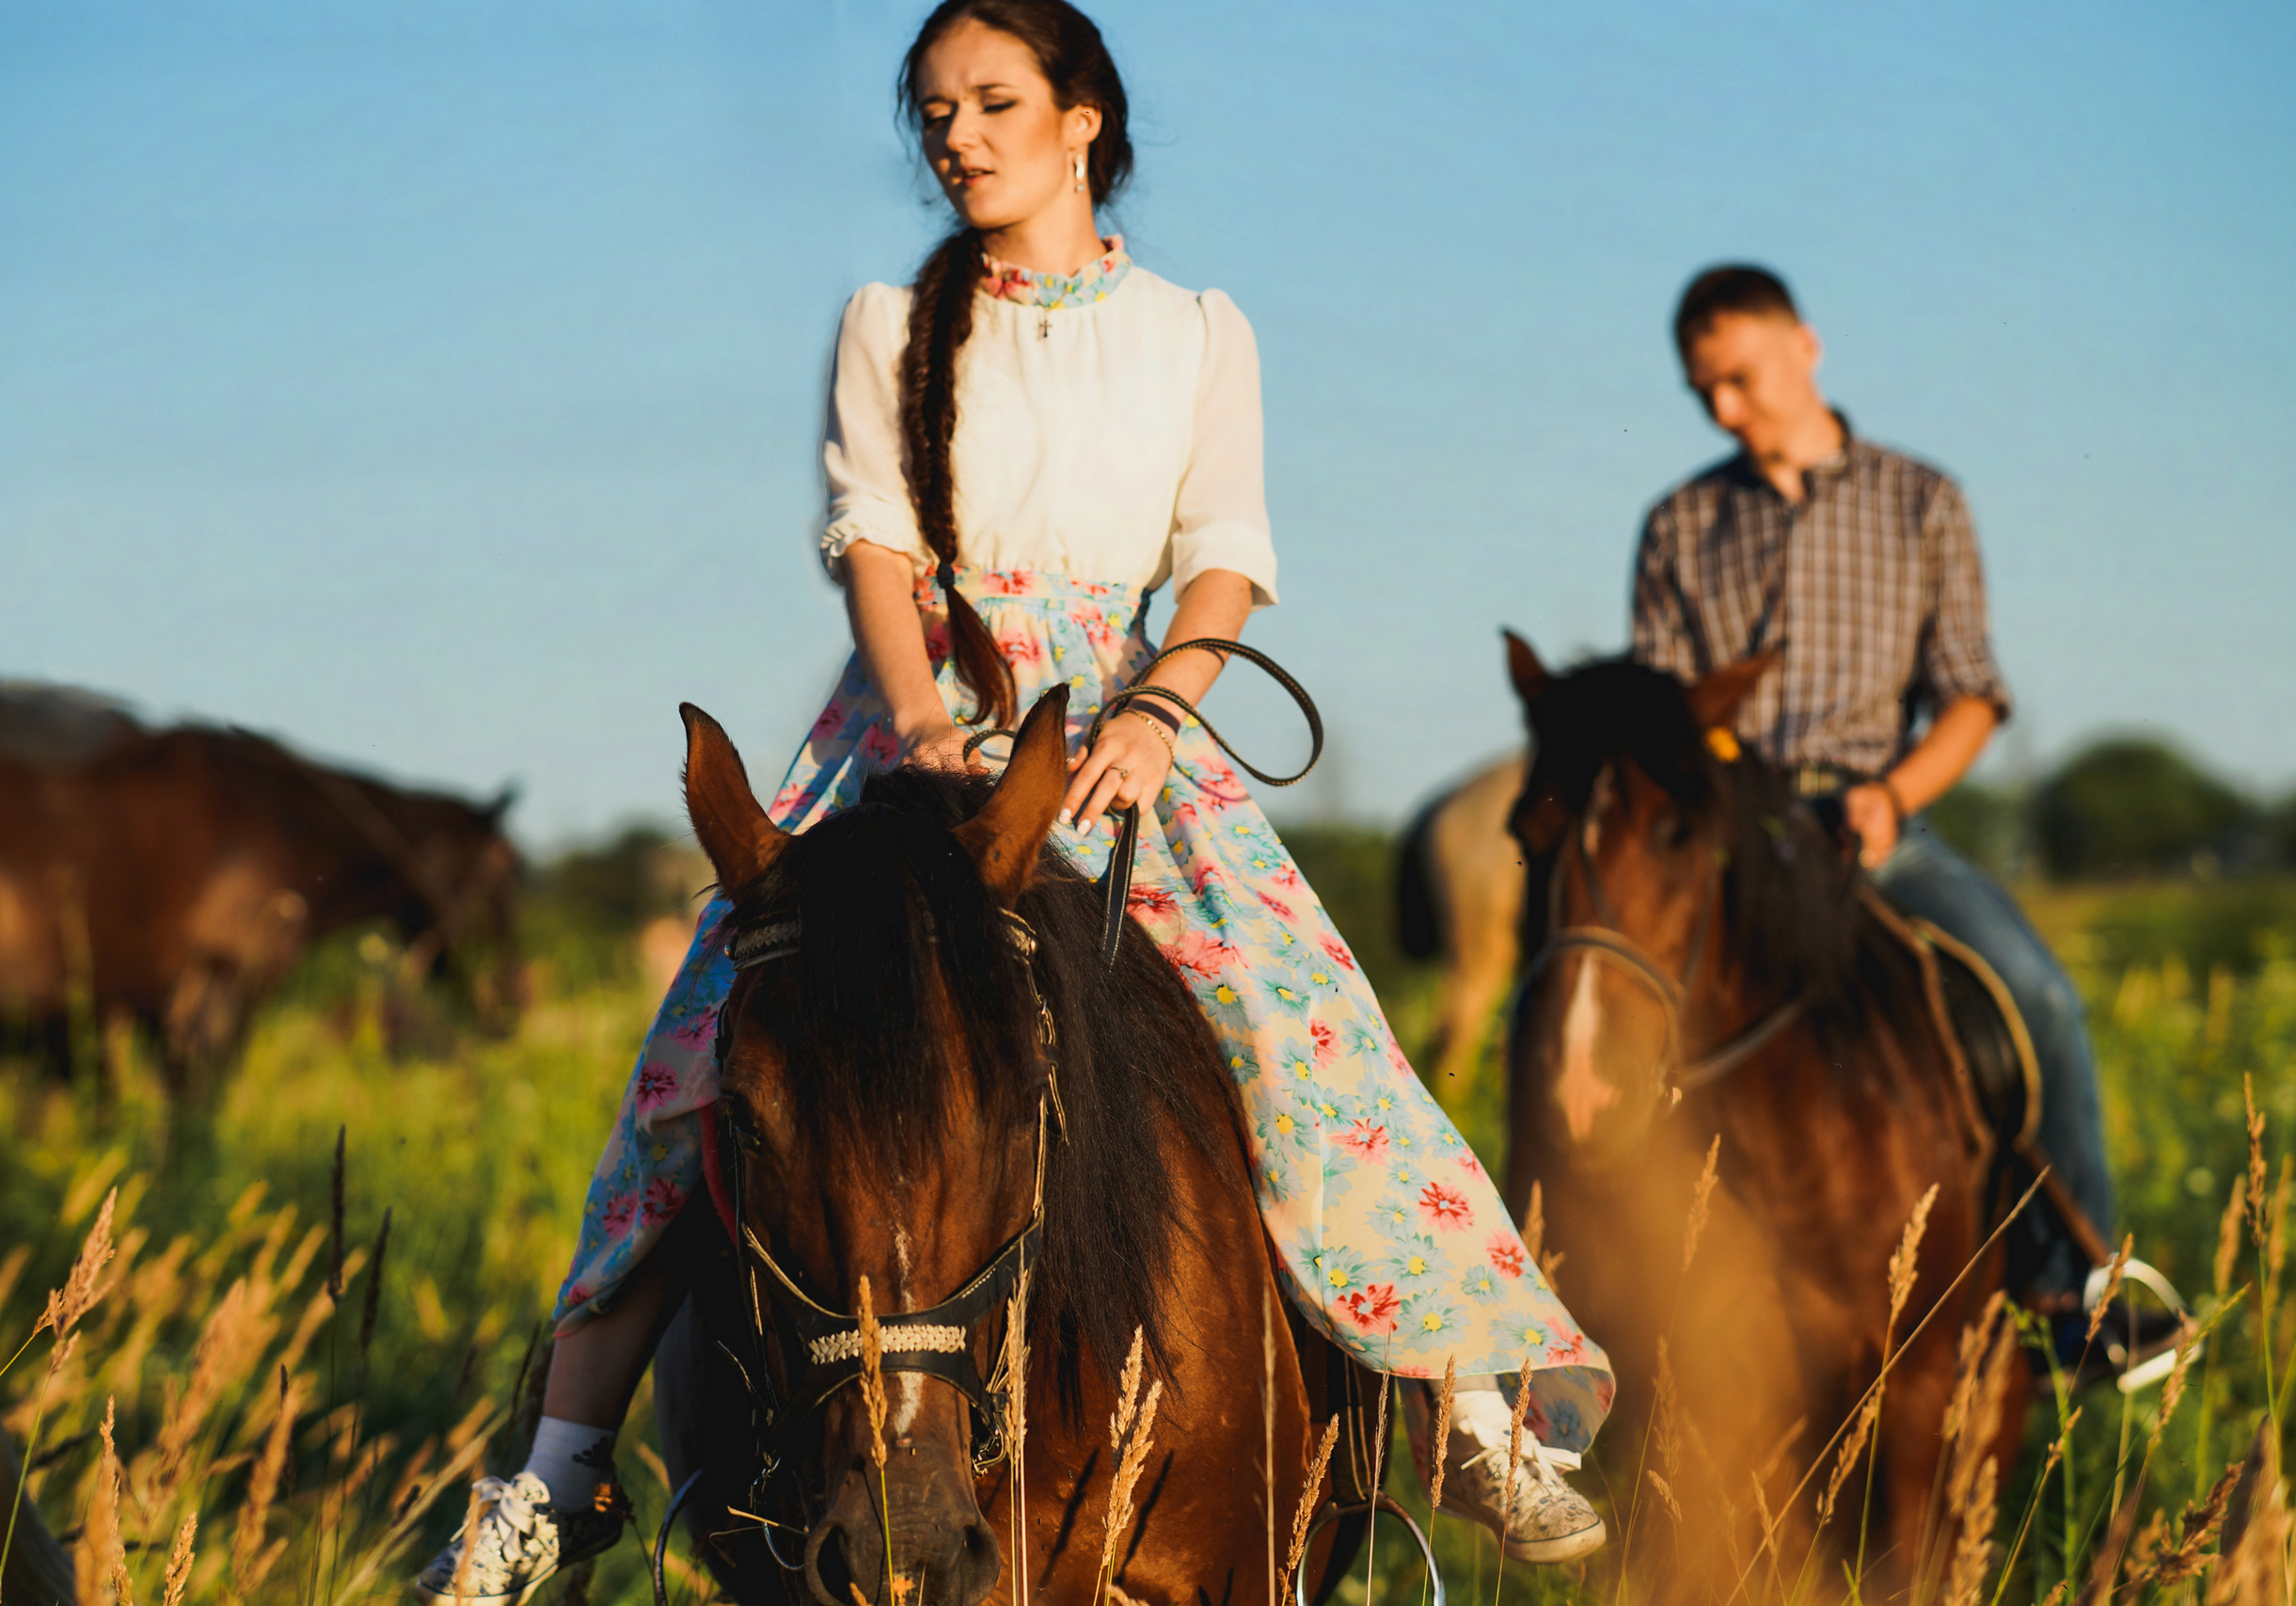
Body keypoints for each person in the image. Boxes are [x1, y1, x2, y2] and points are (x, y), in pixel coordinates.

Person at [415, 4, 1612, 1599]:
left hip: (1118, 728)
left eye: (992, 104)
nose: (957, 137)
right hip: (909, 724)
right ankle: (556, 1477)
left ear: (1083, 120)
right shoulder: (883, 324)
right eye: (933, 113)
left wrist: (1161, 712)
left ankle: (1458, 1398)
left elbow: (1225, 553)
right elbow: (877, 545)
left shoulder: (1198, 329)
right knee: (705, 1055)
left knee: (1303, 1025)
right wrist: (918, 712)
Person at [1629, 263, 2116, 1313]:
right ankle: (1591, 1305)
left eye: (1740, 378)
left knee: (2037, 994)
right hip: (1734, 844)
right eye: (1702, 392)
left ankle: (2081, 1293)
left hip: (1880, 825)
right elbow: (1664, 726)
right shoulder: (1677, 524)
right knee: (1600, 1009)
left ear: (1805, 346)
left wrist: (1892, 795)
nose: (1724, 409)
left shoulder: (1922, 500)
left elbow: (1971, 694)